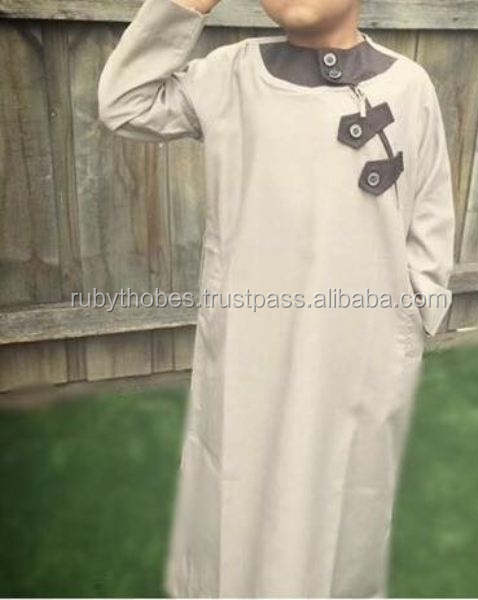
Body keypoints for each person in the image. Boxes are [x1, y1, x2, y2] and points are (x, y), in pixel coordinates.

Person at [97, 0, 455, 596]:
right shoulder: (230, 76)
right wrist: (185, 6)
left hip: (358, 345)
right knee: (238, 477)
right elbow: (124, 103)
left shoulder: (408, 86)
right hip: (251, 344)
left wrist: (413, 314)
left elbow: (430, 209)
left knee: (345, 489)